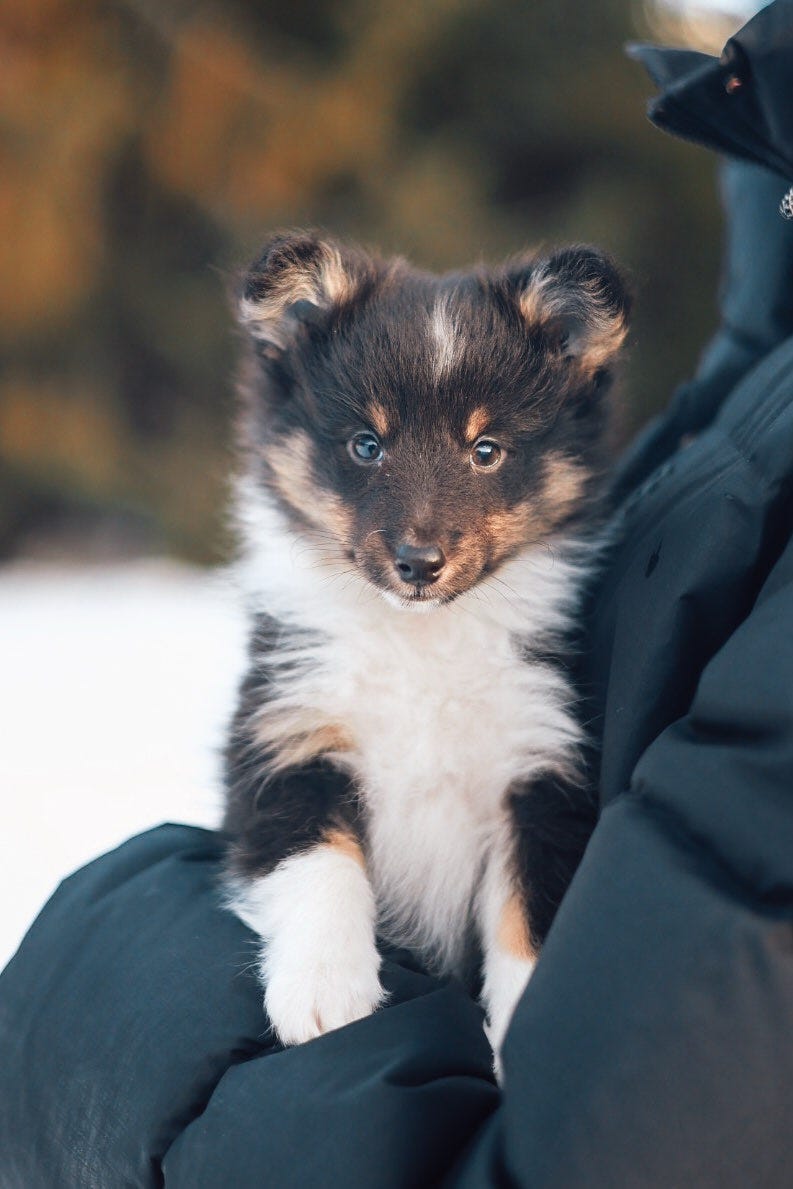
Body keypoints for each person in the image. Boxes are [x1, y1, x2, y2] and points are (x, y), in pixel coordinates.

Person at [2, 2, 793, 1184]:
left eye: (483, 453)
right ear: (287, 424)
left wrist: (528, 1000)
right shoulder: (307, 622)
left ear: (560, 422)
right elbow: (280, 786)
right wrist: (318, 922)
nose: (419, 534)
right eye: (365, 450)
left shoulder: (543, 622)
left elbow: (541, 826)